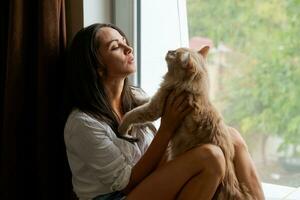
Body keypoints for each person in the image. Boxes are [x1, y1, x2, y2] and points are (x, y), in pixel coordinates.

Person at [63, 23, 265, 200]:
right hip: (119, 195)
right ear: (97, 66)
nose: (128, 48)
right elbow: (126, 184)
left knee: (232, 137)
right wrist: (167, 128)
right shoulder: (83, 124)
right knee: (210, 157)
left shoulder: (135, 97)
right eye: (115, 47)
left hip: (146, 182)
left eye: (125, 41)